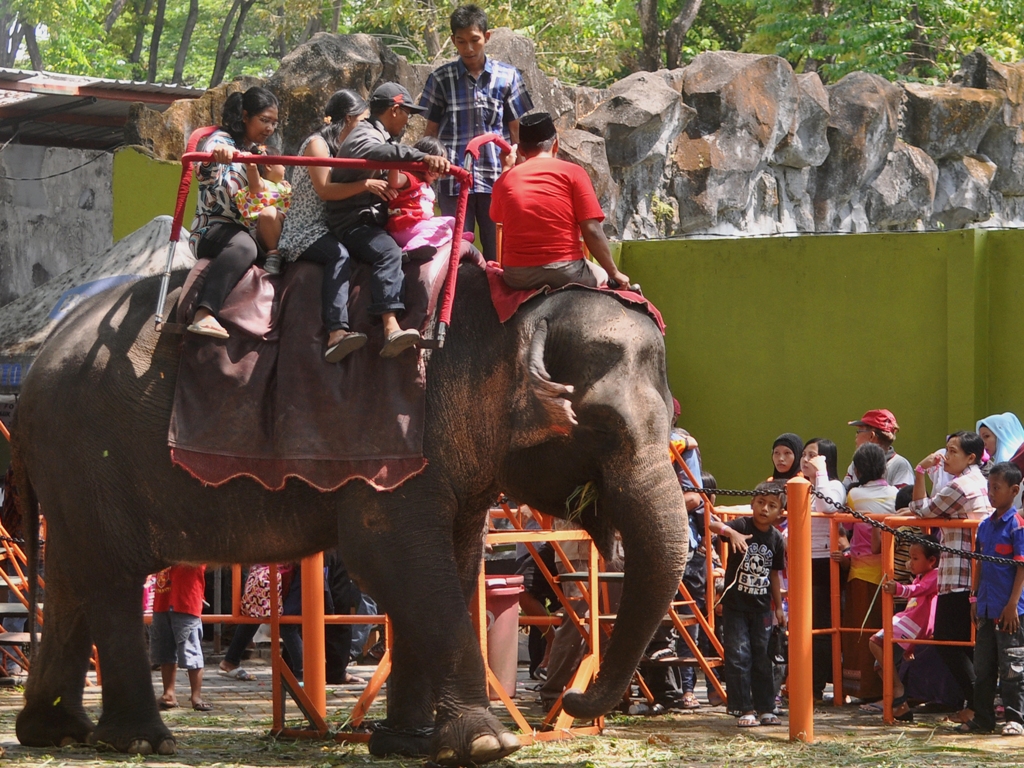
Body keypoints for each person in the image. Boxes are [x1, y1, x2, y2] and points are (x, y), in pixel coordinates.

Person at [325, 83, 451, 358]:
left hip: (372, 217)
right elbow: (379, 153)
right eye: (407, 113)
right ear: (395, 110)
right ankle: (390, 325)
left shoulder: (377, 135)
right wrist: (422, 157)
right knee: (388, 252)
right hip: (353, 221)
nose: (408, 120)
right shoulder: (366, 134)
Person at [279, 89, 398, 362]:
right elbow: (324, 190)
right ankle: (336, 332)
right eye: (363, 120)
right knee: (339, 255)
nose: (367, 128)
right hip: (306, 229)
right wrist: (365, 185)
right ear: (348, 119)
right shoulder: (317, 144)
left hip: (330, 226)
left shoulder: (342, 149)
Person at [418, 3, 534, 261]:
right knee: (456, 254)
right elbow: (431, 132)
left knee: (500, 254)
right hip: (453, 180)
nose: (468, 49)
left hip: (497, 180)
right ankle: (456, 302)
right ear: (453, 41)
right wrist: (424, 174)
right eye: (461, 42)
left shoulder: (508, 76)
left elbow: (516, 132)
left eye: (474, 40)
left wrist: (522, 174)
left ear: (487, 37)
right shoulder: (440, 79)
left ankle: (500, 302)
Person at [490, 112, 630, 290]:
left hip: (517, 276)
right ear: (556, 144)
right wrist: (614, 273)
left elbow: (497, 217)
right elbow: (592, 230)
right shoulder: (574, 172)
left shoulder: (506, 179)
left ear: (522, 151)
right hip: (566, 271)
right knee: (602, 275)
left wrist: (507, 169)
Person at [910, 431, 993, 724]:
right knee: (965, 643)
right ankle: (979, 705)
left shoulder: (961, 485)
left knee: (948, 640)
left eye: (953, 451)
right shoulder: (979, 482)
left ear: (971, 457)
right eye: (946, 449)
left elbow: (923, 511)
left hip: (959, 574)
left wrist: (920, 471)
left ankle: (978, 705)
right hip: (972, 573)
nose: (946, 456)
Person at [187, 86, 281, 340]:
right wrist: (214, 158)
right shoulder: (222, 141)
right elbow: (203, 172)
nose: (270, 129)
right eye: (264, 120)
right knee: (244, 248)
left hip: (249, 228)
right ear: (245, 116)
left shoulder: (258, 151)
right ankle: (204, 313)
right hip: (216, 227)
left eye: (274, 123)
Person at [960, 462, 1024, 735]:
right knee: (984, 667)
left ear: (1014, 490)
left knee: (1012, 668)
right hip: (985, 607)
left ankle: (1015, 718)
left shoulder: (1017, 525)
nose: (991, 493)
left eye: (996, 488)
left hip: (1010, 610)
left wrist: (1012, 605)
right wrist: (974, 599)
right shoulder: (985, 526)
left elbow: (1021, 566)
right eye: (989, 487)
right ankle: (983, 718)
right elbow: (979, 564)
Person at [720, 481, 787, 727]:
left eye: (772, 505)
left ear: (780, 513)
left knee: (763, 656)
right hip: (736, 605)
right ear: (752, 503)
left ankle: (766, 707)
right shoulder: (742, 525)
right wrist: (732, 533)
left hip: (762, 608)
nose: (764, 509)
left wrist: (779, 607)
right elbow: (713, 523)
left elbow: (774, 575)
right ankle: (743, 708)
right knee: (739, 655)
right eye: (760, 503)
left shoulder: (777, 538)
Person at [859, 535, 940, 721]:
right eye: (910, 558)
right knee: (880, 665)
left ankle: (898, 688)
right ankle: (902, 707)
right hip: (908, 621)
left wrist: (898, 589)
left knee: (875, 641)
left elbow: (917, 591)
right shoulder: (921, 576)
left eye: (915, 558)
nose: (910, 562)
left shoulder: (934, 576)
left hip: (914, 623)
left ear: (932, 561)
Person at [841, 443, 896, 701]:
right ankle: (885, 687)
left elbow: (843, 524)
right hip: (892, 573)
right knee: (884, 633)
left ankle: (861, 689)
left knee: (859, 636)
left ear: (859, 468)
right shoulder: (896, 494)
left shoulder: (855, 496)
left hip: (861, 573)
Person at [800, 438, 845, 701]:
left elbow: (828, 506)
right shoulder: (800, 485)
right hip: (801, 559)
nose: (806, 460)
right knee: (803, 625)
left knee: (821, 627)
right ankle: (803, 681)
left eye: (813, 455)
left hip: (822, 562)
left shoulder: (834, 485)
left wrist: (821, 475)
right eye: (804, 455)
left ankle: (817, 686)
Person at [386, 135, 458, 259]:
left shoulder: (426, 186)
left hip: (419, 225)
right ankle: (409, 251)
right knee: (443, 230)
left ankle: (456, 235)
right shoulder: (410, 178)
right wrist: (395, 160)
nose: (438, 171)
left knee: (452, 221)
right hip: (404, 226)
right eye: (435, 166)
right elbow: (394, 181)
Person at [150, 564, 210, 711]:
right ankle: (168, 694)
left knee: (191, 649)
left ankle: (196, 696)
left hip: (185, 601)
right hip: (162, 601)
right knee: (165, 651)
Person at [234, 158, 291, 275]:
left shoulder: (281, 186)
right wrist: (251, 167)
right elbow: (255, 184)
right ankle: (273, 256)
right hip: (264, 235)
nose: (285, 168)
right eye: (282, 164)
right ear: (269, 165)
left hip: (285, 232)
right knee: (269, 213)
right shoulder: (263, 184)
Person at [843, 409, 915, 489]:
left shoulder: (900, 465)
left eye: (859, 431)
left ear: (871, 436)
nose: (856, 436)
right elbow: (844, 492)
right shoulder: (856, 463)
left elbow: (904, 499)